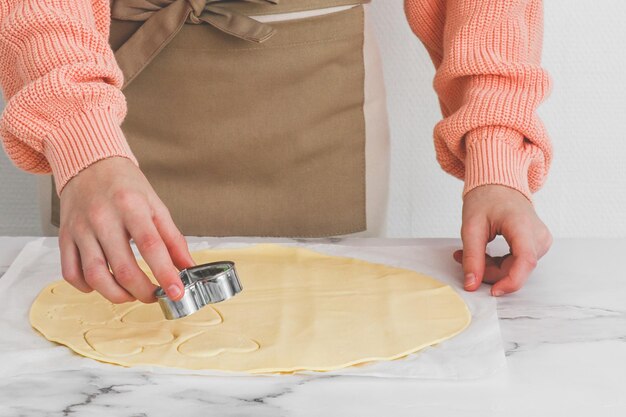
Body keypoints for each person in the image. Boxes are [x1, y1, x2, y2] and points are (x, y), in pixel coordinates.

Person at [0, 0, 553, 304]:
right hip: (103, 114)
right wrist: (84, 141)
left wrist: (497, 154)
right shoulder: (85, 129)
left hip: (322, 110)